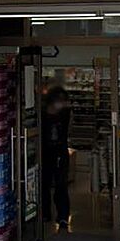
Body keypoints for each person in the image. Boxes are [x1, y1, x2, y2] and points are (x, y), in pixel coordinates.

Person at [42, 85, 72, 230]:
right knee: (44, 184)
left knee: (61, 185)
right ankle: (45, 213)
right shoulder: (43, 115)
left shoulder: (64, 114)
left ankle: (63, 217)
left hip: (60, 152)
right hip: (46, 153)